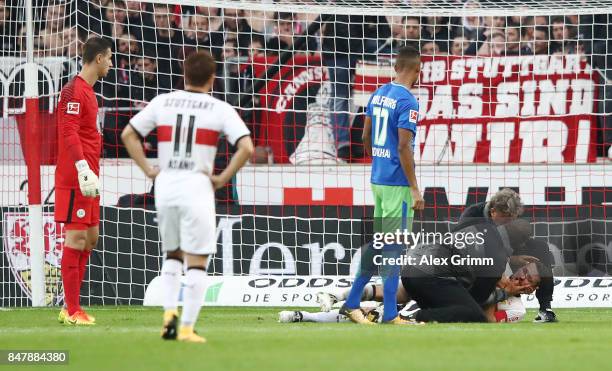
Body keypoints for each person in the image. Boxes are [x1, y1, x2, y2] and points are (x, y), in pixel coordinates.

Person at [121, 51, 254, 343]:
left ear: (184, 75)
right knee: (196, 262)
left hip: (166, 185)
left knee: (172, 255)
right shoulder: (218, 108)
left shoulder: (162, 102)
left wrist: (148, 169)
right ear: (212, 78)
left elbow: (128, 134)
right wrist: (222, 178)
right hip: (197, 185)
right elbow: (246, 147)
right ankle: (186, 328)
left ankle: (169, 316)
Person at [340, 46, 425, 325]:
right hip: (397, 185)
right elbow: (404, 146)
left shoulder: (377, 94)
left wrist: (379, 160)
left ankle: (356, 304)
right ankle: (386, 313)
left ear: (396, 67)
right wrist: (414, 187)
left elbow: (365, 135)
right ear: (417, 69)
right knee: (393, 248)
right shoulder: (408, 102)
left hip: (378, 179)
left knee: (381, 244)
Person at [55, 37, 113, 326]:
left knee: (91, 238)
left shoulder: (89, 92)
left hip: (89, 177)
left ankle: (73, 306)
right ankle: (72, 309)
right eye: (110, 59)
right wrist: (81, 167)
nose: (112, 65)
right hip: (77, 177)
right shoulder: (73, 91)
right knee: (76, 238)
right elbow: (68, 132)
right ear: (99, 59)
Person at [460, 188, 558, 322]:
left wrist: (511, 259)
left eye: (513, 218)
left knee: (540, 248)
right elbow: (467, 250)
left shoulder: (511, 215)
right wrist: (499, 276)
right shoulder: (471, 216)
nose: (510, 222)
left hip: (504, 254)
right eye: (506, 220)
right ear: (493, 211)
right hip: (478, 259)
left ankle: (545, 308)